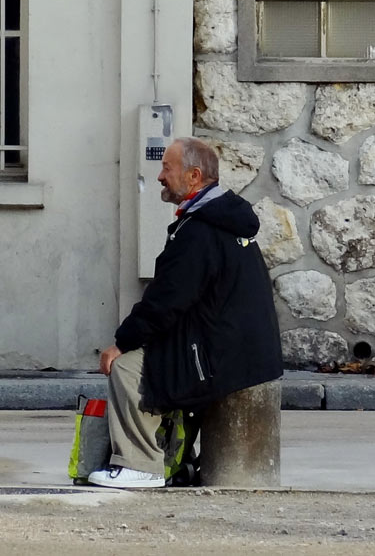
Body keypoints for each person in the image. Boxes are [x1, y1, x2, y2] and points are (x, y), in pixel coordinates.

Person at [88, 137, 282, 489]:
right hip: (243, 353)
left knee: (127, 368)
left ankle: (140, 464)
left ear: (194, 176)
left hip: (222, 359)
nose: (160, 176)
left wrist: (122, 343)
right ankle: (177, 461)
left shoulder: (200, 230)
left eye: (167, 168)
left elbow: (166, 300)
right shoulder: (222, 220)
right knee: (160, 359)